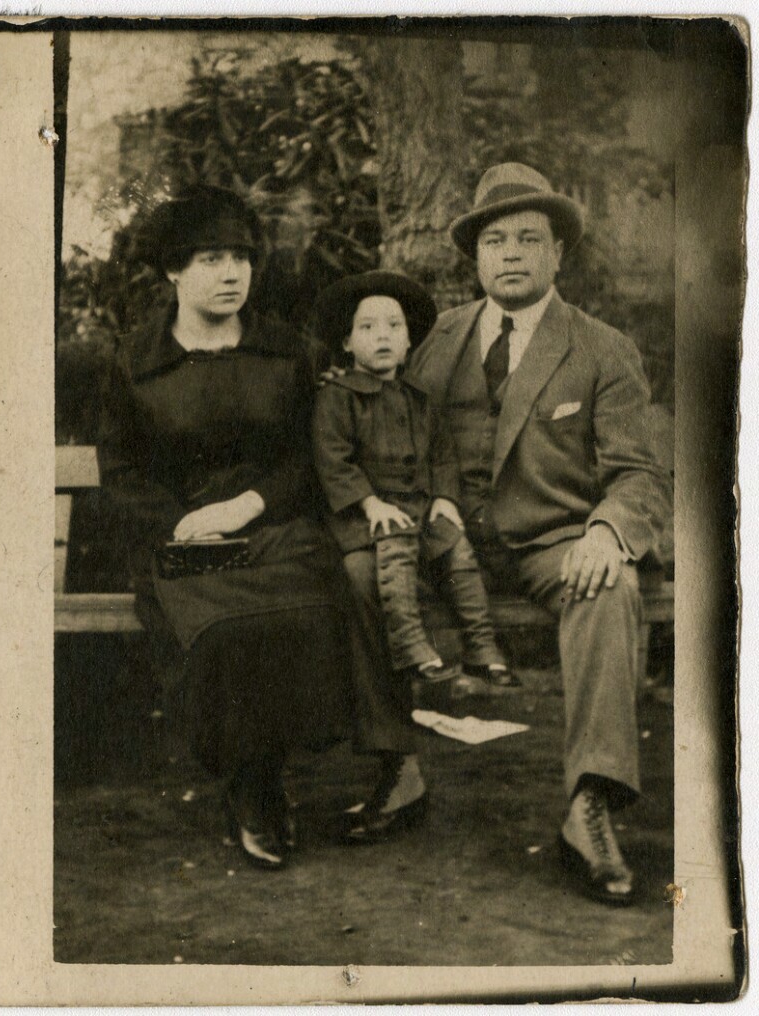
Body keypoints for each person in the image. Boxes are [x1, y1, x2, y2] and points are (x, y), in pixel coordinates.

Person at [405, 162, 672, 904]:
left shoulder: (601, 348)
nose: (511, 254)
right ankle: (392, 770)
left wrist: (607, 532)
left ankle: (591, 804)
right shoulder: (436, 340)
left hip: (552, 546)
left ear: (558, 253)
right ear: (476, 257)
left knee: (610, 587)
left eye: (529, 238)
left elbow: (639, 474)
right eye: (495, 241)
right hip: (446, 546)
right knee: (360, 570)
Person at [96, 186, 351, 872]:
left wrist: (247, 506)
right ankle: (251, 785)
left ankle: (270, 770)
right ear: (173, 270)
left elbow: (310, 457)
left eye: (240, 257)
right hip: (179, 544)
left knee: (303, 611)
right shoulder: (136, 361)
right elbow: (121, 470)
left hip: (272, 529)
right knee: (222, 632)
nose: (232, 273)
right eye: (210, 259)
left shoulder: (289, 353)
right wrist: (181, 523)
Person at [312, 271, 512, 696]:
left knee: (457, 549)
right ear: (347, 343)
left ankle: (481, 647)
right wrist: (370, 503)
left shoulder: (419, 398)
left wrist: (444, 499)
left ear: (408, 343)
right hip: (364, 518)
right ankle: (412, 646)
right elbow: (334, 460)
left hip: (420, 510)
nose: (382, 336)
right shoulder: (338, 397)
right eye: (367, 328)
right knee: (395, 546)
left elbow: (442, 454)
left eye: (394, 326)